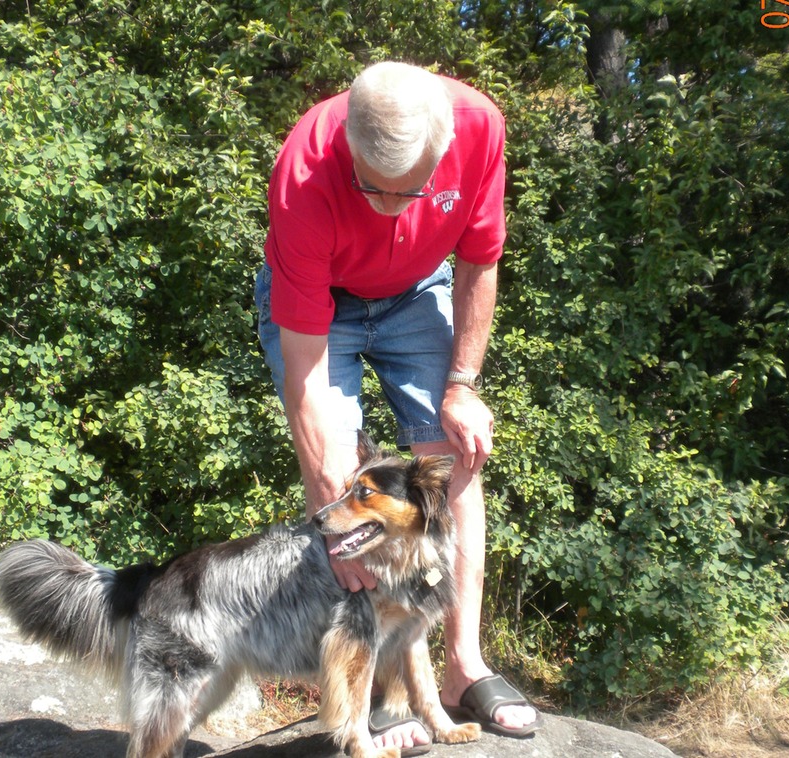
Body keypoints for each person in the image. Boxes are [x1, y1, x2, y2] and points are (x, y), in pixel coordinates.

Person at [255, 61, 538, 753]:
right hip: (324, 308)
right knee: (348, 477)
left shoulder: (478, 129)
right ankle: (375, 689)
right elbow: (305, 373)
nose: (385, 208)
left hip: (419, 291)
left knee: (451, 459)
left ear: (441, 154)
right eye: (369, 188)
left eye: (404, 192)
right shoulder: (305, 170)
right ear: (348, 143)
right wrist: (331, 499)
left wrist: (463, 384)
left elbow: (478, 260)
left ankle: (462, 669)